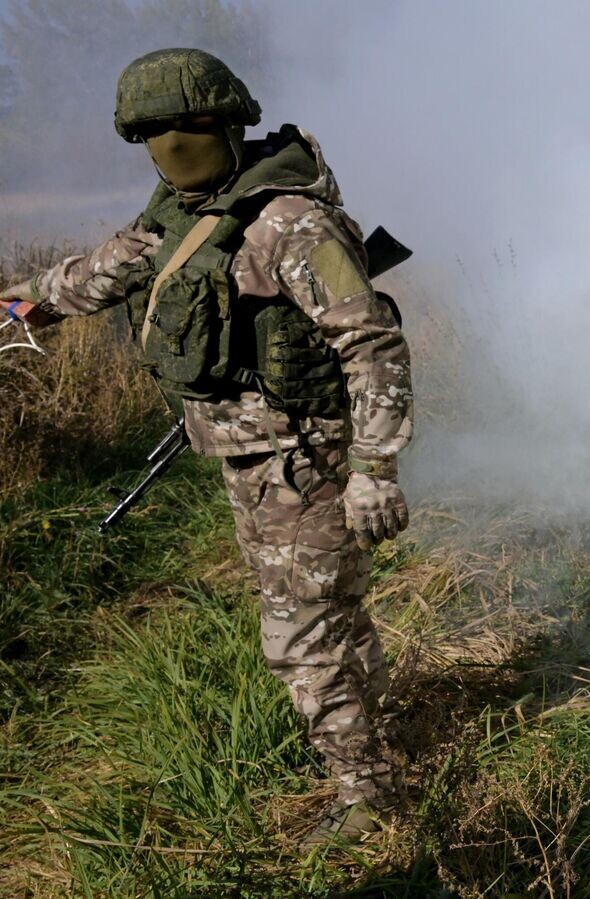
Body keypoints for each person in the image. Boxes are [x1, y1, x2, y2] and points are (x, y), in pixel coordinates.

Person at [0, 48, 414, 845]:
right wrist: (30, 304)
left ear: (225, 125)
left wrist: (374, 470)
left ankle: (369, 802)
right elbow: (108, 268)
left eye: (180, 130)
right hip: (253, 464)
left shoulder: (292, 222)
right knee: (329, 622)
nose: (168, 148)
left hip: (308, 462)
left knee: (302, 636)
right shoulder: (184, 212)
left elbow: (372, 342)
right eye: (153, 135)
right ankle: (371, 759)